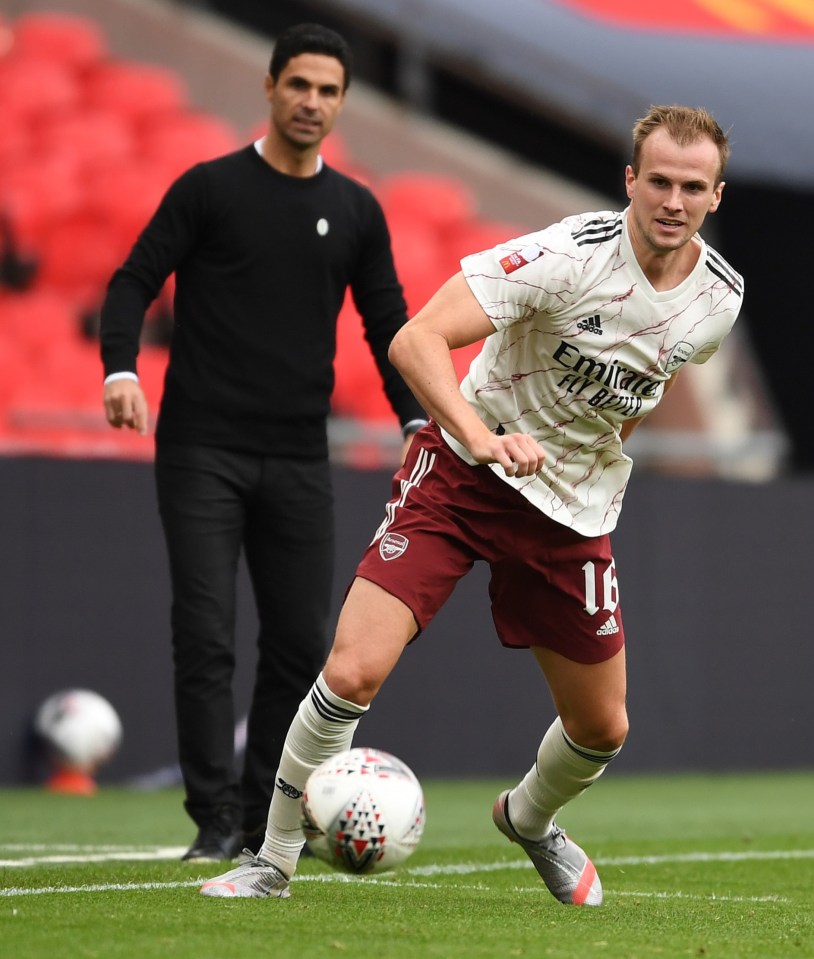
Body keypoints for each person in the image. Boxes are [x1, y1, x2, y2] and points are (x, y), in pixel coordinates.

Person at [198, 104, 744, 903]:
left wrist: (581, 456)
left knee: (603, 728)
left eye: (690, 186)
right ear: (628, 180)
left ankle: (527, 819)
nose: (671, 199)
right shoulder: (564, 255)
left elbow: (635, 395)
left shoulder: (717, 299)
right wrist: (478, 436)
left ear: (714, 197)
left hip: (569, 511)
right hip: (461, 475)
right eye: (656, 180)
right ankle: (272, 860)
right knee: (352, 668)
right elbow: (414, 339)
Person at [99, 23, 427, 862]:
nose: (312, 102)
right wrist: (120, 369)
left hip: (296, 456)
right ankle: (211, 819)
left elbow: (387, 324)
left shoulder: (354, 209)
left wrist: (416, 421)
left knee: (295, 642)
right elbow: (135, 277)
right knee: (205, 631)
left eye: (328, 90)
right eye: (299, 85)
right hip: (202, 445)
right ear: (271, 87)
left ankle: (259, 816)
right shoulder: (210, 189)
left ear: (341, 102)